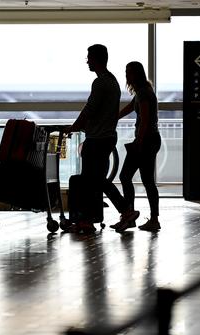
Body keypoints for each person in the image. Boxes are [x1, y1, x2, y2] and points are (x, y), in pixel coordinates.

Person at [64, 44, 121, 233]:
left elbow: (90, 109)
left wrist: (74, 126)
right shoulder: (113, 81)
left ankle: (86, 220)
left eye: (89, 57)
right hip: (108, 137)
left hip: (97, 139)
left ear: (96, 59)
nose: (87, 60)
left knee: (89, 181)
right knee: (97, 180)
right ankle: (125, 211)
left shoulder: (100, 83)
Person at [104, 61, 161, 232]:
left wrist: (139, 141)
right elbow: (129, 108)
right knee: (144, 180)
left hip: (146, 141)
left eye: (129, 72)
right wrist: (112, 118)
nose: (126, 75)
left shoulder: (143, 93)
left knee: (127, 176)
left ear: (137, 74)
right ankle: (145, 218)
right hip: (150, 140)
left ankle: (133, 216)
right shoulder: (141, 92)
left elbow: (144, 120)